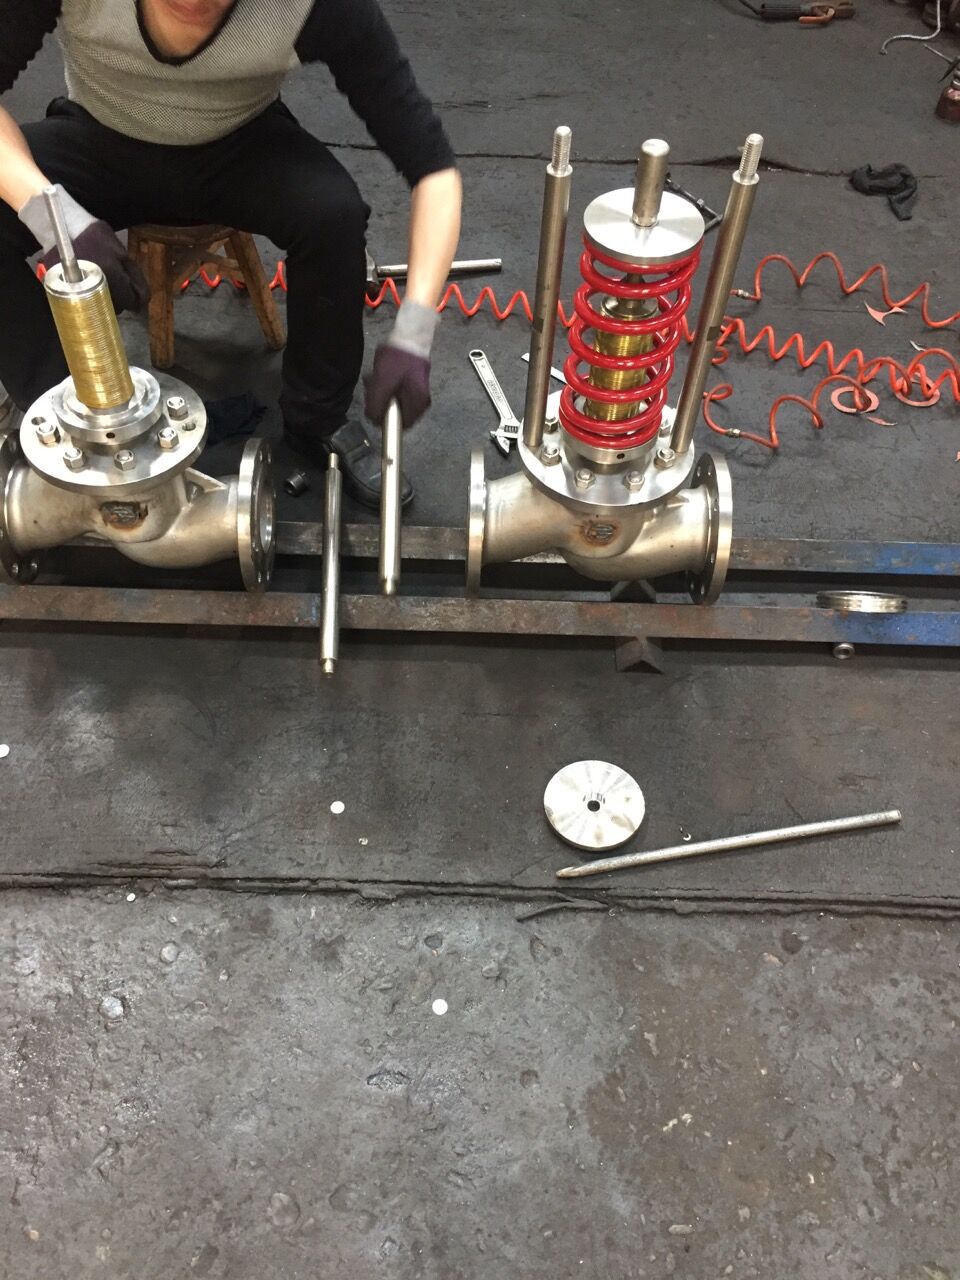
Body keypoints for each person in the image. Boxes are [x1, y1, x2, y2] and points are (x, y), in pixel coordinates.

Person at [0, 0, 462, 508]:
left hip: (239, 142)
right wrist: (54, 217)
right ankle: (63, 416)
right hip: (100, 135)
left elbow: (434, 170)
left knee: (334, 216)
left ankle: (319, 418)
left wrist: (416, 329)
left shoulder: (313, 6)